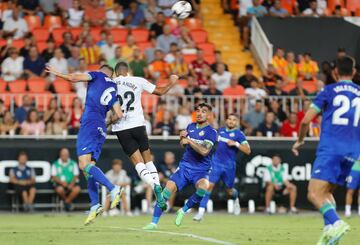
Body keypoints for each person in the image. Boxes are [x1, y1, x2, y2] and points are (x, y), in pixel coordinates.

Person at [292, 56, 360, 244]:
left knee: (313, 193)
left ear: (335, 72)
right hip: (353, 153)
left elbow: (306, 120)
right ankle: (330, 233)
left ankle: (336, 223)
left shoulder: (328, 91)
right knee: (326, 192)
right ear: (353, 72)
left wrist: (300, 140)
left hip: (331, 149)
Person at [45, 64, 123, 226]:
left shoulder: (97, 75)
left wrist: (57, 73)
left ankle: (113, 188)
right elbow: (119, 114)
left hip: (90, 122)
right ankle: (95, 204)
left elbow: (74, 78)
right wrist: (106, 122)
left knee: (83, 164)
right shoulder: (114, 87)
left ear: (102, 71)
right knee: (89, 170)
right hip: (102, 128)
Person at [111, 61, 179, 212]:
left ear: (116, 73)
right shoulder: (137, 80)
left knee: (137, 163)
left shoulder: (110, 83)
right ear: (127, 71)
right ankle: (158, 187)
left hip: (121, 127)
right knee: (148, 158)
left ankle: (153, 185)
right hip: (138, 125)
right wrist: (171, 82)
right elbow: (160, 92)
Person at [143, 103, 217, 230]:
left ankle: (183, 210)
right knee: (166, 191)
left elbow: (204, 151)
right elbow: (183, 143)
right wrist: (182, 138)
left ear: (209, 116)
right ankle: (153, 223)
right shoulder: (191, 126)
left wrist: (189, 141)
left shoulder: (211, 132)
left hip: (201, 170)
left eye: (203, 111)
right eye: (198, 111)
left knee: (203, 188)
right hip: (185, 167)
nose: (199, 113)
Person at [194, 114, 251, 221]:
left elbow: (248, 150)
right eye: (229, 119)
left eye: (234, 120)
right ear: (226, 120)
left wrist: (236, 144)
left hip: (229, 166)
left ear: (237, 123)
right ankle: (200, 213)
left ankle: (236, 200)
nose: (231, 121)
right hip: (216, 163)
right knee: (208, 186)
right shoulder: (220, 131)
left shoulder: (239, 134)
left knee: (229, 191)